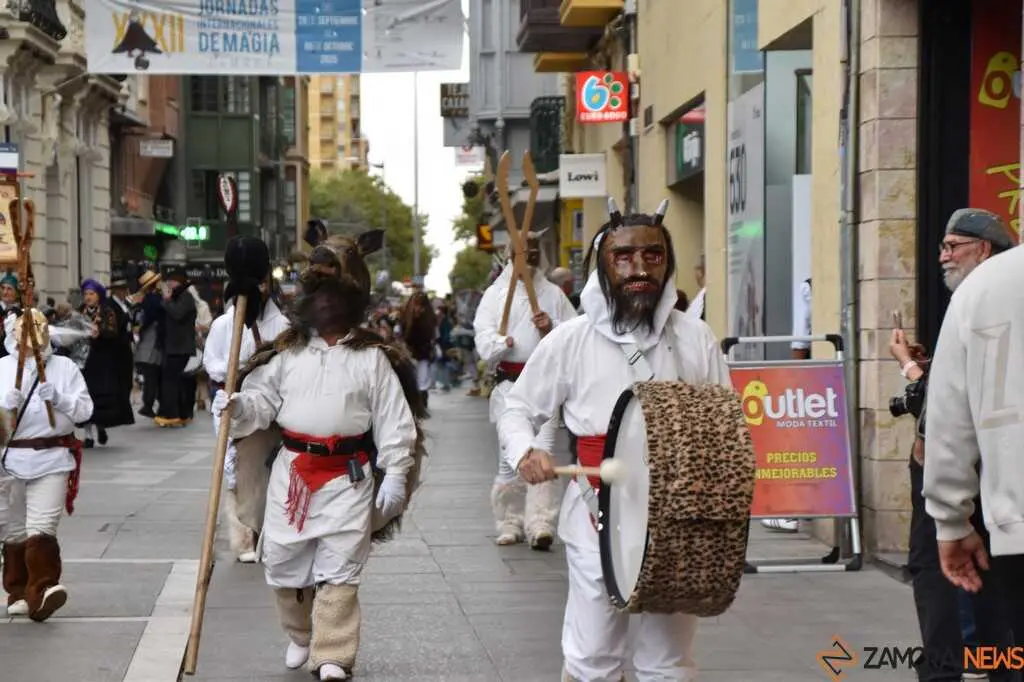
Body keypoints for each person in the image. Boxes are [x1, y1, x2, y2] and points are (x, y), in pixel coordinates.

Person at [498, 200, 730, 681]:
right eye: (623, 258)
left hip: (679, 519)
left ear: (668, 263)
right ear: (603, 265)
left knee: (670, 661)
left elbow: (724, 426)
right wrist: (525, 451)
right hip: (593, 512)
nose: (639, 269)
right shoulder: (570, 340)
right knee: (592, 657)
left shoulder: (697, 338)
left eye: (652, 256)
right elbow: (518, 408)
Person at [213, 231, 426, 681]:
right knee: (284, 565)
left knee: (341, 568)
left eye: (336, 295)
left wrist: (394, 475)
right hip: (293, 474)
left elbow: (394, 419)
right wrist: (238, 407)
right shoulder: (288, 353)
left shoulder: (373, 358)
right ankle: (299, 635)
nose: (327, 304)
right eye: (320, 295)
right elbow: (262, 404)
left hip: (349, 477)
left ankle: (332, 652)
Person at [913, 208, 1018, 681]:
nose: (942, 256)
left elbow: (948, 420)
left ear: (986, 249)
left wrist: (949, 517)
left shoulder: (982, 291)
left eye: (953, 246)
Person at [474, 233, 577, 549]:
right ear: (509, 255)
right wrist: (500, 343)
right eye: (523, 251)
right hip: (509, 384)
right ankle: (509, 520)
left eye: (534, 250)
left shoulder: (553, 294)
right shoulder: (494, 295)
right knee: (511, 457)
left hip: (545, 386)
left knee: (542, 448)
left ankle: (541, 522)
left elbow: (574, 334)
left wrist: (550, 328)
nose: (529, 256)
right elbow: (483, 339)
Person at [0, 309, 94, 621]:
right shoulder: (1, 369)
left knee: (41, 528)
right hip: (9, 461)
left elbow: (84, 411)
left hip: (53, 458)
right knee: (14, 531)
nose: (32, 348)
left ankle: (42, 591)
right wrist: (4, 410)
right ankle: (17, 589)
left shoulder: (64, 367)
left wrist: (61, 400)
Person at [203, 269, 289, 563]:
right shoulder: (223, 324)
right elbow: (211, 362)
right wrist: (235, 371)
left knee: (268, 469)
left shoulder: (283, 324)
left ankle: (267, 530)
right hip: (230, 402)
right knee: (232, 470)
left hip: (270, 407)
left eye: (265, 283)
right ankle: (242, 538)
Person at [78, 279, 135, 447]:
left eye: (91, 294)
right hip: (84, 360)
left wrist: (100, 332)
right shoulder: (80, 311)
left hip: (101, 359)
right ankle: (88, 435)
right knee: (84, 394)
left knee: (99, 395)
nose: (88, 297)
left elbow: (113, 332)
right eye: (86, 294)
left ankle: (100, 426)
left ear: (98, 296)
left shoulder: (107, 311)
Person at [155, 267, 197, 428]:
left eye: (171, 281)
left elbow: (177, 314)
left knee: (170, 380)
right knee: (173, 379)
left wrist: (167, 301)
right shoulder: (178, 296)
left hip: (180, 347)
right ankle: (180, 412)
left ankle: (171, 413)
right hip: (173, 346)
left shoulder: (185, 297)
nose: (169, 283)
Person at [132, 271, 164, 418]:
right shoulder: (155, 299)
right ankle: (149, 404)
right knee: (152, 374)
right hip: (153, 339)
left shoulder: (147, 299)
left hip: (148, 339)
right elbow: (149, 319)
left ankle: (149, 403)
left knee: (150, 374)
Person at [398, 291, 436, 408]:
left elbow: (428, 336)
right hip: (409, 352)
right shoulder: (406, 317)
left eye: (421, 305)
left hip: (422, 352)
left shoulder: (427, 319)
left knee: (422, 378)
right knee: (412, 378)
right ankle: (415, 401)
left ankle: (422, 401)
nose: (418, 308)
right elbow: (403, 335)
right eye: (416, 304)